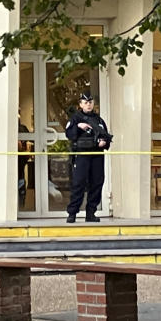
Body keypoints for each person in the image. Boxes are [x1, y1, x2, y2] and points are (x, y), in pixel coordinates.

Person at [64, 92, 112, 223]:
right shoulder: (75, 118)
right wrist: (78, 127)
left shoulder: (98, 120)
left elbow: (107, 137)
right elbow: (69, 134)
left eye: (90, 102)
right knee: (78, 184)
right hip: (81, 155)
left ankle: (91, 213)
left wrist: (104, 142)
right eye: (85, 103)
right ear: (80, 104)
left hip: (96, 155)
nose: (88, 105)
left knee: (97, 183)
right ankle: (72, 213)